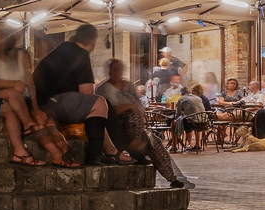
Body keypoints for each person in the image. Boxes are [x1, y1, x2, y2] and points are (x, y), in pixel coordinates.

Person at [96, 58, 190, 188]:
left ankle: (172, 178)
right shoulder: (104, 89)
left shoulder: (128, 85)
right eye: (114, 69)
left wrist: (139, 112)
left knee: (155, 143)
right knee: (132, 115)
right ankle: (136, 150)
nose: (117, 72)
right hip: (116, 128)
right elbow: (109, 110)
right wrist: (130, 107)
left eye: (119, 69)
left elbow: (138, 103)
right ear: (109, 71)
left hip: (135, 127)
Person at [32, 24, 111, 166]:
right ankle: (96, 155)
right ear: (92, 41)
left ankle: (110, 150)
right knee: (99, 103)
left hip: (41, 102)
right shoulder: (80, 53)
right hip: (51, 103)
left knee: (99, 106)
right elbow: (87, 91)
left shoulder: (62, 49)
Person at [0, 25, 67, 165]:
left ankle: (61, 152)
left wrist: (35, 107)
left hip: (24, 98)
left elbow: (31, 84)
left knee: (44, 120)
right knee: (37, 121)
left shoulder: (22, 55)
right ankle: (56, 154)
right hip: (6, 98)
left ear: (5, 38)